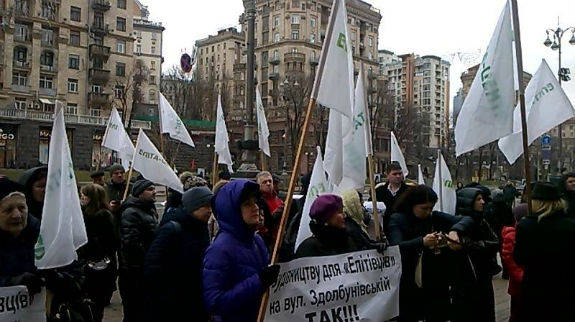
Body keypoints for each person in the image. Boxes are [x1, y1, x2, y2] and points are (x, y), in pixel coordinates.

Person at [387, 185, 472, 322]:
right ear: (412, 205)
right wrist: (422, 242)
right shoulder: (398, 219)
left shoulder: (434, 217)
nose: (428, 212)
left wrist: (455, 231)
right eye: (424, 208)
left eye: (430, 208)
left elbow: (466, 219)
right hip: (410, 281)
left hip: (436, 281)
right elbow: (396, 246)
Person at [203, 179, 279, 322]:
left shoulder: (256, 240)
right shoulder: (219, 250)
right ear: (232, 211)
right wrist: (259, 282)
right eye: (247, 204)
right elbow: (215, 303)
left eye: (255, 202)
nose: (255, 207)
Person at [144, 186, 214, 322]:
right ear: (193, 207)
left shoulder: (201, 228)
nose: (209, 210)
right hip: (171, 303)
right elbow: (152, 266)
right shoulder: (172, 229)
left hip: (193, 300)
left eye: (210, 206)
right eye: (205, 206)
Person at [514, 182, 575, 322]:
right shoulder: (570, 225)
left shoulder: (526, 226)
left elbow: (519, 258)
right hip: (565, 285)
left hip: (535, 285)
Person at [453, 187, 500, 322]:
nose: (483, 202)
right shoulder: (461, 222)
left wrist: (479, 244)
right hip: (466, 276)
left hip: (483, 273)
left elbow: (495, 241)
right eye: (478, 199)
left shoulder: (482, 220)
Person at [118, 179, 158, 322]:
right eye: (150, 189)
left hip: (144, 269)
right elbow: (131, 242)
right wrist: (148, 257)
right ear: (139, 193)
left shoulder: (149, 209)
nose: (154, 192)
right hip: (133, 270)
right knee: (133, 311)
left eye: (154, 189)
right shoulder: (131, 212)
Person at [78, 183, 118, 322]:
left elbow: (108, 243)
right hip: (94, 266)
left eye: (85, 195)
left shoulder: (101, 216)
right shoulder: (87, 213)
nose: (82, 198)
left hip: (98, 267)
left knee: (94, 307)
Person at [0, 177, 43, 294]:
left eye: (22, 208)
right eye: (8, 210)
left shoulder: (40, 235)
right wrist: (12, 282)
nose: (17, 215)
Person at [295, 194, 363, 258]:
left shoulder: (351, 239)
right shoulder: (308, 248)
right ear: (327, 218)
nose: (344, 215)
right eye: (339, 212)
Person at [500, 203, 527, 322]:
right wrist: (522, 277)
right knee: (517, 313)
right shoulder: (512, 235)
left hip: (527, 283)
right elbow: (509, 260)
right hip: (519, 284)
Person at [374, 162, 409, 234]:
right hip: (385, 229)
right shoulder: (379, 192)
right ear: (388, 175)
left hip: (404, 230)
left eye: (400, 173)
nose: (398, 176)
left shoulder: (409, 191)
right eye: (395, 174)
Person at [256, 171, 284, 248]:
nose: (268, 184)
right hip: (266, 241)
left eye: (270, 181)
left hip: (280, 239)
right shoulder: (257, 201)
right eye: (264, 182)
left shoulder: (279, 199)